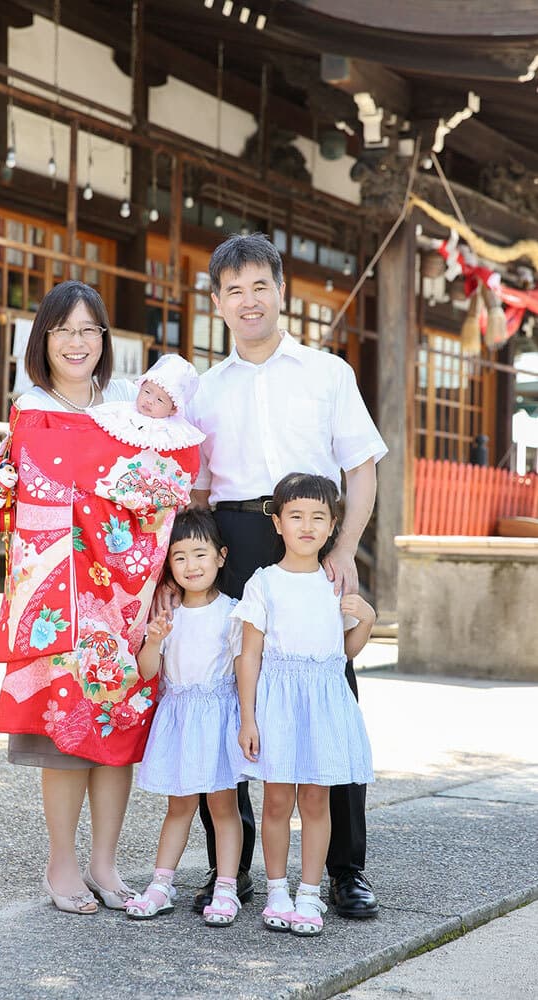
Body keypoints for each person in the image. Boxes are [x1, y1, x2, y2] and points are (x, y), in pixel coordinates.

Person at [183, 232, 387, 918]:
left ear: (282, 292)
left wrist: (343, 547)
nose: (248, 301)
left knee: (330, 684)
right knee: (225, 688)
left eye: (259, 287)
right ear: (217, 302)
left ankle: (345, 869)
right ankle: (229, 869)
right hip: (235, 537)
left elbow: (360, 467)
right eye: (233, 290)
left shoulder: (326, 372)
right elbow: (199, 494)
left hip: (311, 535)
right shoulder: (206, 389)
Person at [0, 280, 200, 916]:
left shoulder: (133, 415)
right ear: (43, 340)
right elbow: (29, 503)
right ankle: (62, 863)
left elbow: (163, 497)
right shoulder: (33, 408)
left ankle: (105, 863)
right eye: (63, 330)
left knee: (119, 730)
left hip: (126, 594)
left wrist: (154, 580)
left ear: (104, 341)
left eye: (89, 331)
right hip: (61, 592)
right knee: (66, 732)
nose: (76, 343)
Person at [233, 472, 375, 935]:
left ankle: (310, 894)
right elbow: (249, 654)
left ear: (333, 525)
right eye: (296, 516)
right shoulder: (264, 583)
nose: (307, 526)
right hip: (277, 703)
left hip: (325, 702)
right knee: (276, 800)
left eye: (318, 517)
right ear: (277, 523)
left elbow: (345, 653)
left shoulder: (334, 582)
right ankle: (277, 889)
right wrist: (248, 717)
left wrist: (366, 620)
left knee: (317, 800)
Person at [125, 509, 244, 927]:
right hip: (178, 717)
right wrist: (153, 640)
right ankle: (162, 884)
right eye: (179, 557)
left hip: (217, 720)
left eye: (200, 554)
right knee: (178, 806)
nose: (191, 566)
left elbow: (247, 671)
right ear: (168, 564)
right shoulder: (166, 615)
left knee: (223, 806)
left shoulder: (233, 613)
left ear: (221, 556)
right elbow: (147, 672)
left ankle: (227, 887)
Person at [89, 353, 205, 452]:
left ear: (173, 408)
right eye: (147, 391)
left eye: (160, 400)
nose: (150, 401)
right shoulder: (122, 412)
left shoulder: (176, 432)